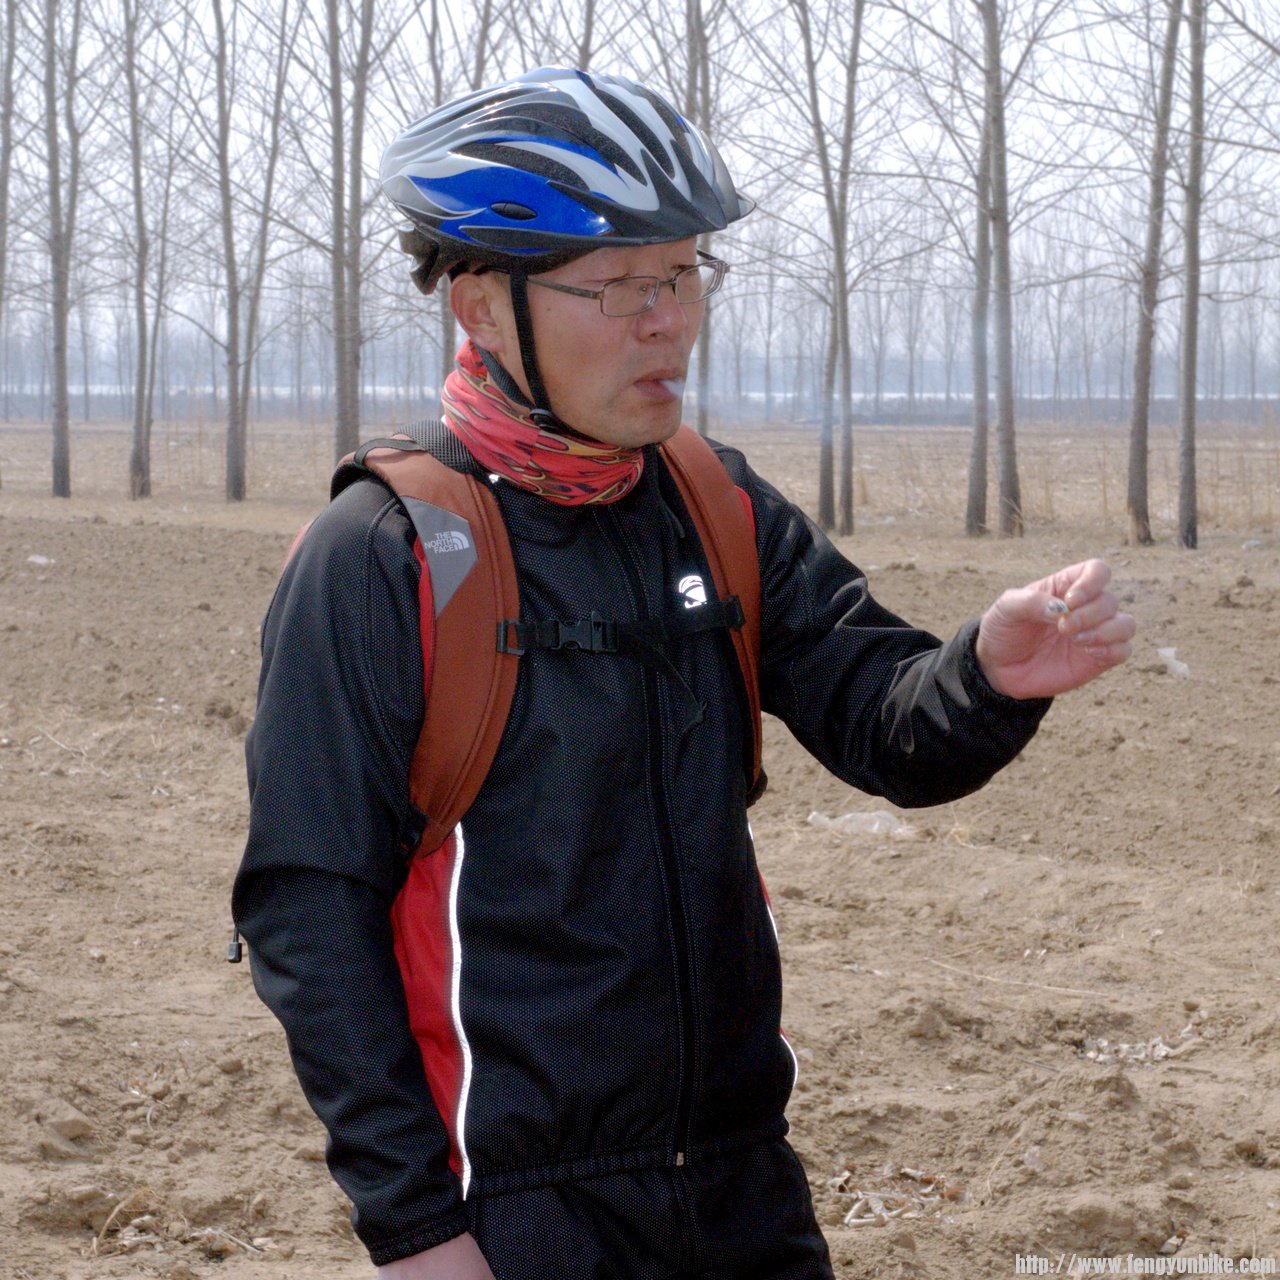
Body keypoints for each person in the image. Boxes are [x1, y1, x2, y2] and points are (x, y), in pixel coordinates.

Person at [232, 67, 1135, 1280]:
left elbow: (886, 729)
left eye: (683, 274)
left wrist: (986, 672)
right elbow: (306, 906)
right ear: (481, 306)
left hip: (740, 1184)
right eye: (616, 287)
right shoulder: (388, 554)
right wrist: (415, 1228)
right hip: (515, 1210)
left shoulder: (713, 504)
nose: (666, 319)